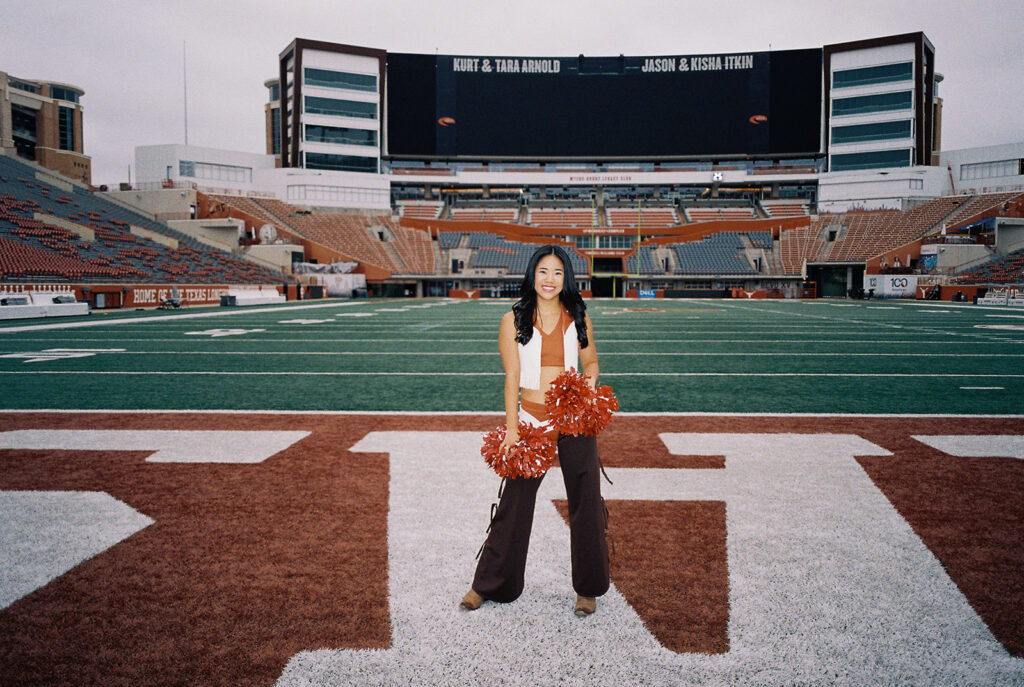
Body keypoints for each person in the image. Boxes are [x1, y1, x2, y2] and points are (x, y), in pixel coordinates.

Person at [460, 245, 610, 617]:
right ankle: (490, 584)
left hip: (573, 419)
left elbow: (591, 366)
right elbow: (511, 378)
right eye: (543, 271)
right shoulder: (513, 320)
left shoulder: (579, 317)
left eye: (558, 273)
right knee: (515, 503)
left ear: (567, 278)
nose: (549, 280)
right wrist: (512, 429)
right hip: (531, 420)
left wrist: (584, 389)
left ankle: (588, 589)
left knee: (585, 500)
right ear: (532, 274)